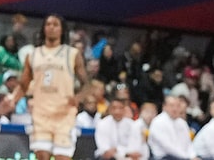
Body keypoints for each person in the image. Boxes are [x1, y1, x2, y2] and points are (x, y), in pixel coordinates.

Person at [12, 14, 88, 160]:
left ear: (62, 30)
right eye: (48, 24)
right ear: (43, 28)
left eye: (55, 24)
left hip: (64, 114)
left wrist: (79, 97)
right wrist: (13, 99)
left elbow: (87, 84)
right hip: (41, 114)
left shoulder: (72, 53)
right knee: (41, 155)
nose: (51, 27)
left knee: (62, 157)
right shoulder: (32, 55)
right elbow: (24, 84)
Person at [95, 91, 144, 160]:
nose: (117, 111)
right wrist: (119, 152)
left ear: (124, 109)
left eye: (120, 108)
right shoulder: (102, 124)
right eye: (114, 108)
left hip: (128, 156)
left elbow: (134, 147)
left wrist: (120, 151)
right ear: (110, 109)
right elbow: (105, 149)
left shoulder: (132, 125)